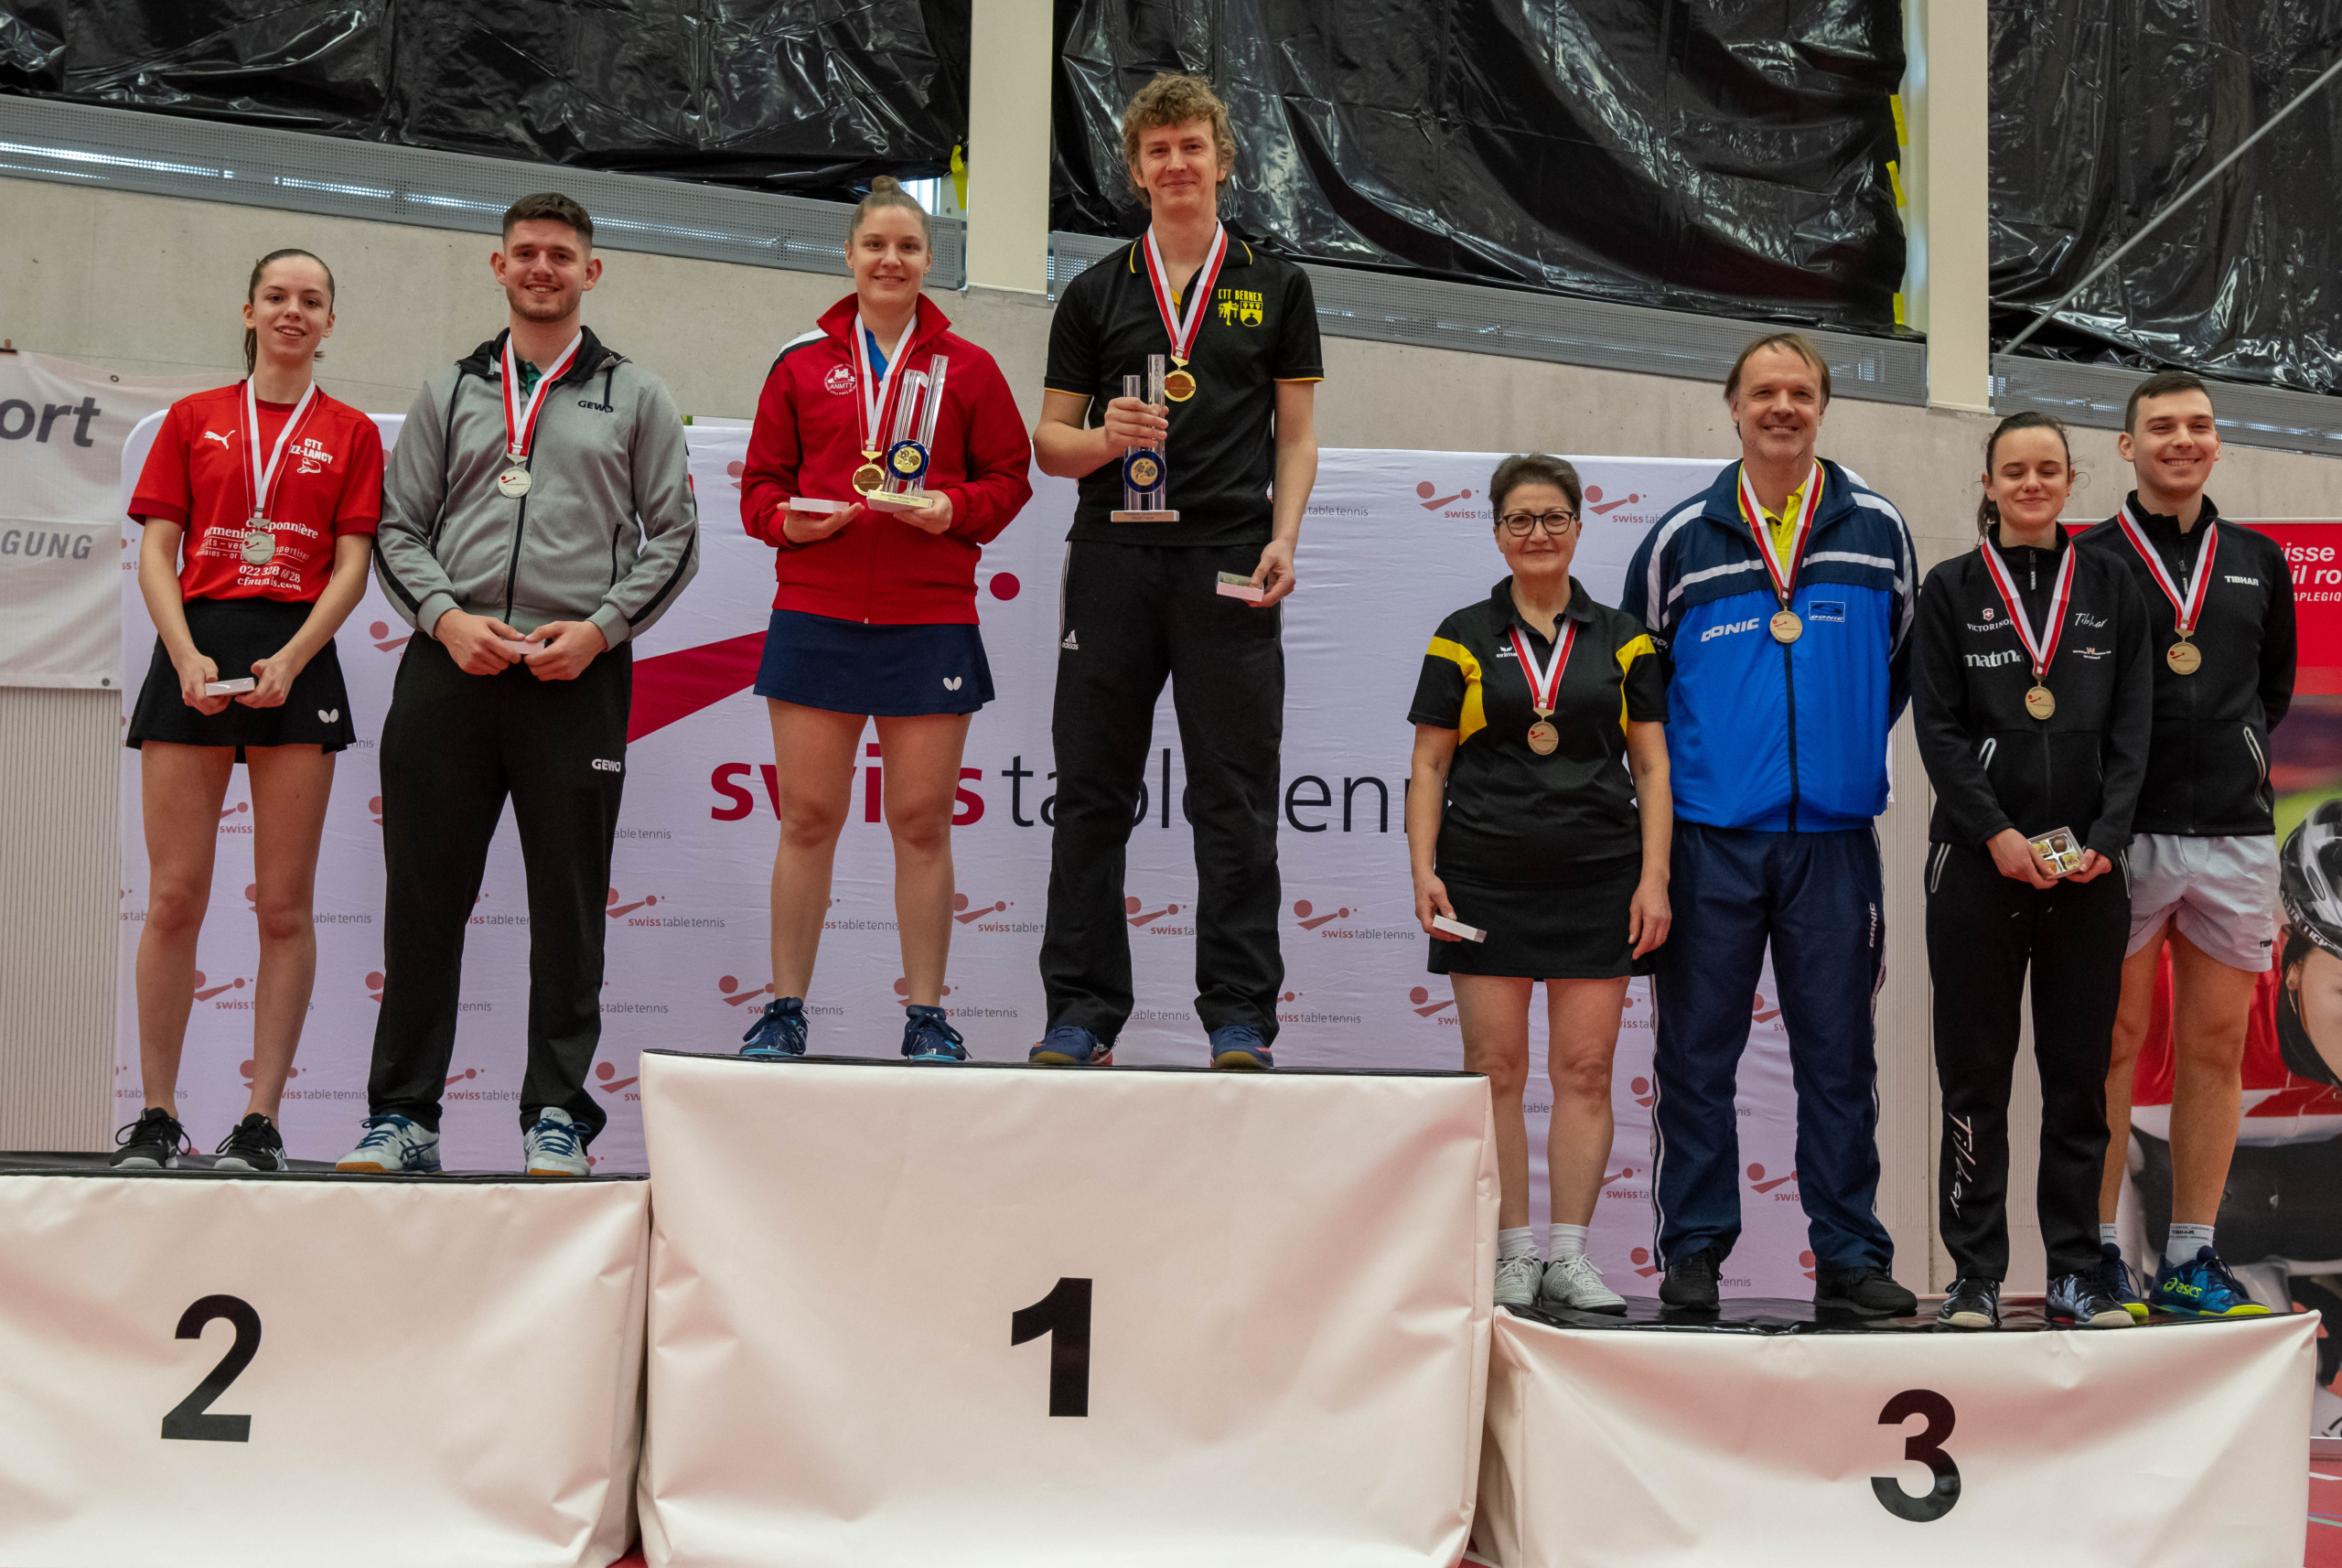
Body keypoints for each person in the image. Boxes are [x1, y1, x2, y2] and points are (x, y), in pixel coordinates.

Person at [339, 191, 699, 1176]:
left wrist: (600, 630)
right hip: (450, 667)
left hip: (574, 674)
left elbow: (675, 537)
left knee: (569, 908)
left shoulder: (637, 394)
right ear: (498, 266)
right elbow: (397, 528)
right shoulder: (450, 388)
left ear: (592, 271)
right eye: (526, 252)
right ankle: (403, 1115)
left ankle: (557, 1114)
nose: (543, 267)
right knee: (423, 903)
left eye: (561, 254)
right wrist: (445, 619)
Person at [1620, 331, 1919, 1317]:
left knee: (1839, 1058)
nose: (1781, 407)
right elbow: (1641, 695)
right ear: (1734, 407)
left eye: (1799, 392)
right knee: (1695, 1058)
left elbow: (1898, 667)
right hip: (1709, 838)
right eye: (1763, 392)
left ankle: (1849, 1255)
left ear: (1822, 406)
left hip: (1833, 842)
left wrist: (1834, 752)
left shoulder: (1878, 529)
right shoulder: (1680, 539)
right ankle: (1694, 1249)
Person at [1030, 72, 1321, 1070]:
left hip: (1230, 559)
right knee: (1091, 793)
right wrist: (1103, 438)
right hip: (1112, 558)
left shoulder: (1277, 285)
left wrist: (1285, 536)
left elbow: (1296, 436)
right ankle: (1081, 1011)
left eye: (1192, 145)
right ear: (1136, 170)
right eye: (1157, 150)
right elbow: (1049, 444)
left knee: (1232, 797)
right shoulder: (1094, 291)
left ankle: (1238, 1015)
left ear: (1221, 159)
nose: (1176, 163)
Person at [735, 177, 1034, 1062]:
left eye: (907, 246)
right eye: (875, 245)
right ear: (849, 255)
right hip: (817, 611)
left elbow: (1009, 478)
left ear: (929, 259)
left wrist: (954, 508)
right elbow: (759, 488)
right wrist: (788, 522)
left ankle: (927, 1016)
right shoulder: (799, 363)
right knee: (807, 819)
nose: (890, 260)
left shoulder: (969, 368)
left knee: (921, 822)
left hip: (928, 616)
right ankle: (784, 1009)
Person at [113, 248, 382, 1172]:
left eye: (311, 299)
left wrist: (296, 657)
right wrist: (185, 651)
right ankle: (157, 1115)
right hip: (195, 650)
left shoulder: (351, 431)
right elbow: (158, 553)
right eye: (277, 296)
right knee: (173, 898)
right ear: (249, 310)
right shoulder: (193, 419)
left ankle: (261, 1122)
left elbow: (352, 566)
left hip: (296, 657)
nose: (292, 311)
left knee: (284, 907)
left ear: (330, 321)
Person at [1407, 455, 1671, 1313]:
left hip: (1599, 879)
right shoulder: (1459, 635)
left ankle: (1570, 1255)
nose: (1537, 534)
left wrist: (1655, 879)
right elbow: (1428, 765)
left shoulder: (1625, 638)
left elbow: (1652, 767)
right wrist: (1424, 870)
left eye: (1553, 517)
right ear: (1496, 532)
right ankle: (1514, 1252)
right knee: (1495, 1070)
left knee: (1586, 1069)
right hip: (1484, 878)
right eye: (1519, 519)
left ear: (1579, 528)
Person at [1911, 411, 2153, 1329]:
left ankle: (2076, 1272)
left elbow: (2133, 725)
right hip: (1977, 869)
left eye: (2047, 469)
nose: (2031, 484)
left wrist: (2108, 835)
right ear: (1988, 484)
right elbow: (1936, 728)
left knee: (2077, 1080)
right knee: (1973, 1078)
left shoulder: (2113, 585)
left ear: (2070, 479)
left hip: (2087, 872)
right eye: (2013, 470)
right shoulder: (1950, 589)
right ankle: (1974, 1274)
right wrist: (1995, 834)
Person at [2080, 371, 2294, 1318]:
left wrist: (2235, 758)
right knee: (2111, 1046)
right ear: (2127, 446)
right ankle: (2093, 1254)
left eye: (2198, 425)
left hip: (2235, 837)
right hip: (2123, 836)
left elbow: (2271, 690)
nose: (2183, 439)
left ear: (2216, 441)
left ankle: (2189, 1257)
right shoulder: (2089, 558)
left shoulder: (2258, 559)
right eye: (2161, 425)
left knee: (2215, 1049)